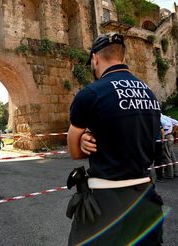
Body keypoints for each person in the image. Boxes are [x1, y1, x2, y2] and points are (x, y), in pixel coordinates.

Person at [67, 33, 164, 245]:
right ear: (122, 56)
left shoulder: (91, 94)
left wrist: (82, 137)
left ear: (95, 59)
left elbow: (75, 152)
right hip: (147, 199)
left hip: (106, 204)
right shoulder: (150, 94)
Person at [160, 113, 178, 179]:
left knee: (166, 155)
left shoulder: (159, 117)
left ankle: (169, 174)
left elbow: (166, 125)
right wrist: (172, 132)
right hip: (170, 136)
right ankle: (175, 172)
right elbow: (177, 123)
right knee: (171, 154)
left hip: (166, 137)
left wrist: (164, 135)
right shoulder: (166, 117)